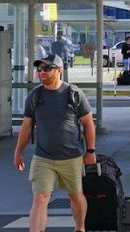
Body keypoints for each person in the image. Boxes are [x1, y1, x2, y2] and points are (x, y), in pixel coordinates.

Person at [13, 54, 96, 232]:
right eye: (40, 69)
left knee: (75, 196)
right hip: (43, 157)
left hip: (71, 157)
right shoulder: (35, 96)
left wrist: (90, 151)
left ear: (59, 71)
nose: (42, 72)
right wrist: (18, 152)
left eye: (47, 68)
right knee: (40, 198)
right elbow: (27, 126)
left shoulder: (74, 94)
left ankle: (80, 228)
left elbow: (88, 123)